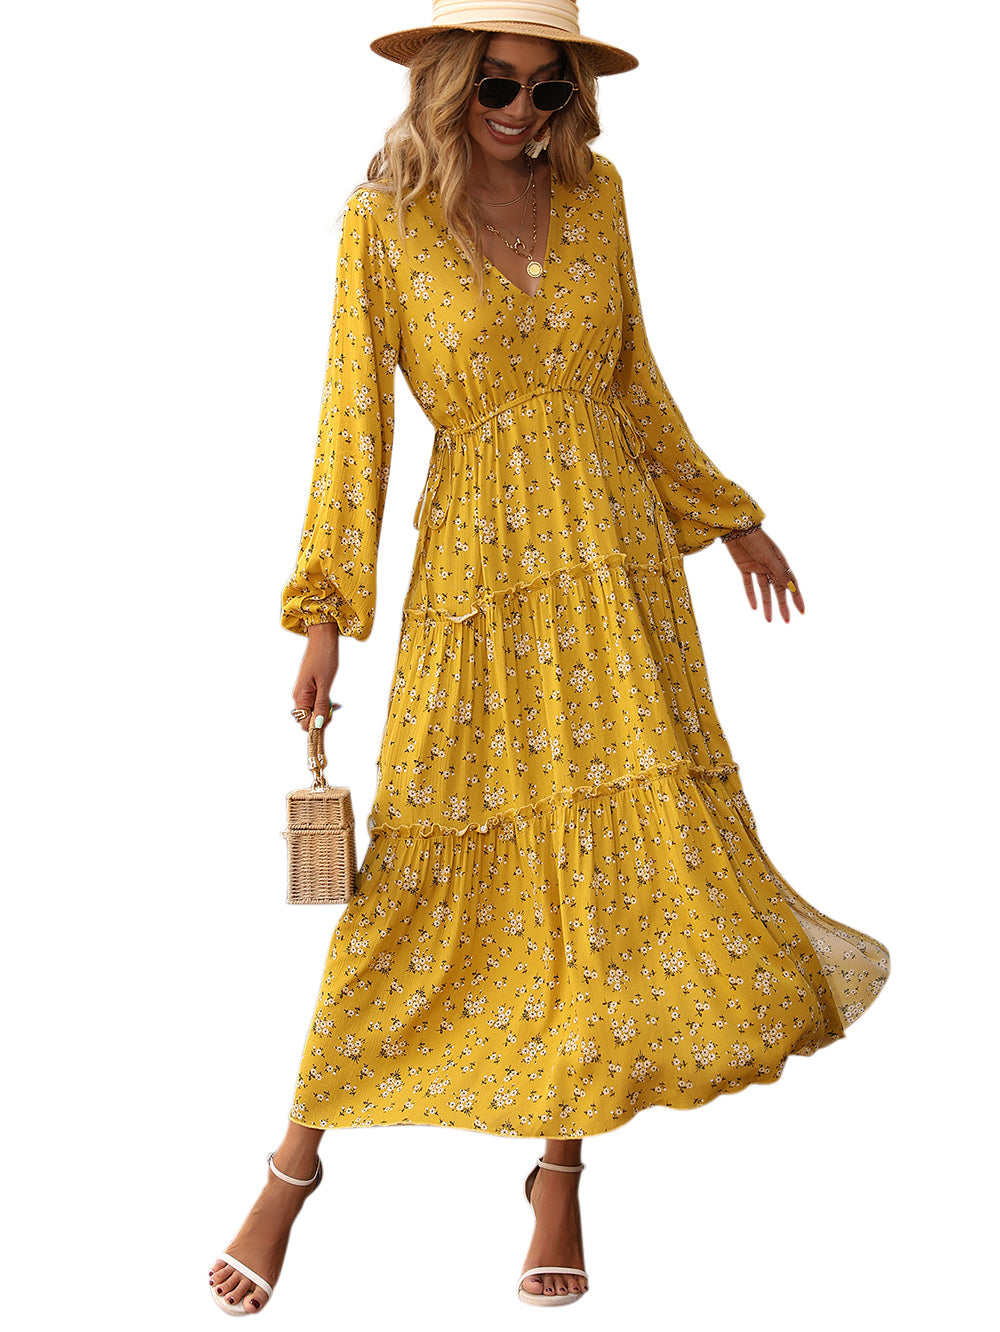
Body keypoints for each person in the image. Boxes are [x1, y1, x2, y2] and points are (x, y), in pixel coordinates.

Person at [209, 2, 891, 1313]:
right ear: (448, 81)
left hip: (618, 573)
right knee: (417, 876)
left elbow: (633, 381)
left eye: (550, 89)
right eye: (499, 86)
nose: (523, 114)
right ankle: (294, 1166)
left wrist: (729, 515)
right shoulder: (381, 223)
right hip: (480, 581)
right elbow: (352, 422)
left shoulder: (598, 197)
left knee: (601, 877)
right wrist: (323, 613)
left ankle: (560, 1172)